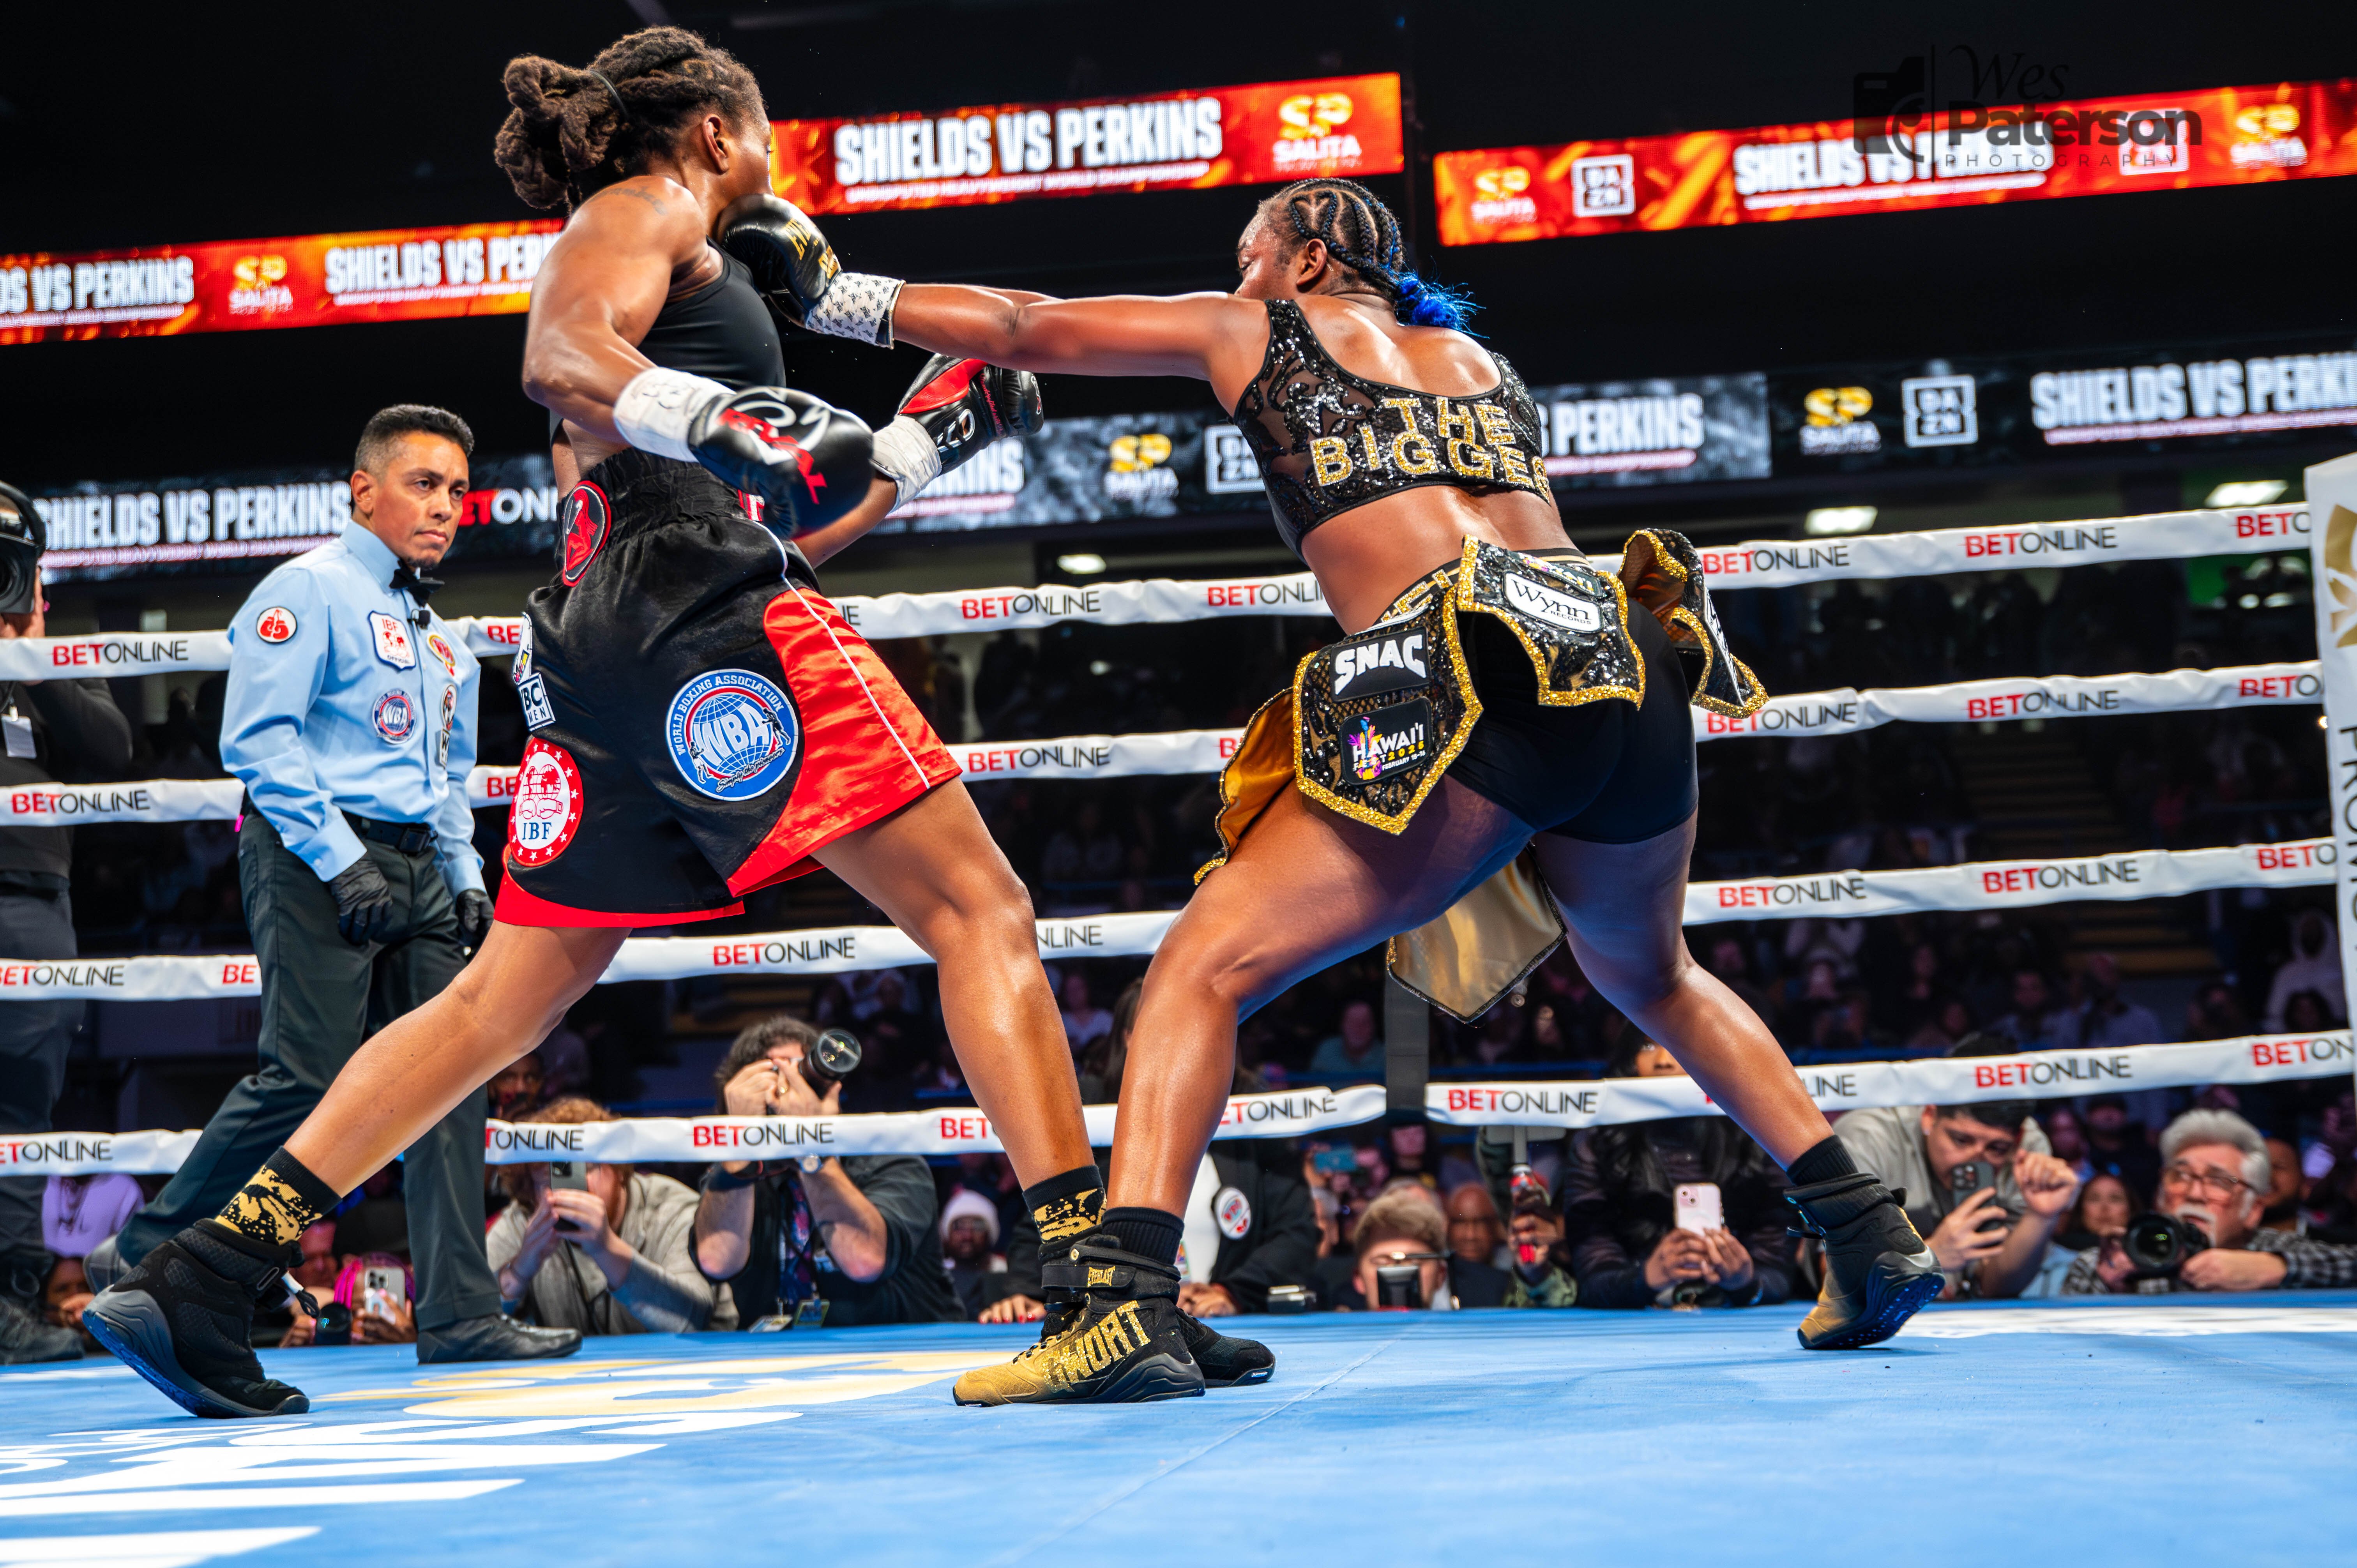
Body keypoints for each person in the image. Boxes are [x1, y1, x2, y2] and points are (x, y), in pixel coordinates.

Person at [86, 25, 1133, 1420]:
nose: (775, 159)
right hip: (687, 601)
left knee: (494, 1004)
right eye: (762, 130)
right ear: (712, 128)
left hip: (617, 623)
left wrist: (913, 446)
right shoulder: (640, 209)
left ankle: (206, 1272)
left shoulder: (726, 266)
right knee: (979, 906)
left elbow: (770, 511)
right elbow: (560, 354)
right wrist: (729, 421)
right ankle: (1097, 1291)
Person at [768, 174, 1938, 1400]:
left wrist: (835, 294)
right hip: (1623, 646)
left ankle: (1120, 1305)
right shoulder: (1478, 360)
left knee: (1200, 967)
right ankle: (1865, 1230)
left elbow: (1019, 325)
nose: (1235, 284)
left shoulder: (1255, 332)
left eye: (1249, 257)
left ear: (1311, 259)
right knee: (1654, 972)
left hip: (1471, 656)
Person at [90, 405, 576, 1377]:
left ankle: (459, 1312)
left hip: (423, 873)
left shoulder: (441, 640)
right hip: (315, 854)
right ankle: (147, 1252)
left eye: (456, 490)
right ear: (366, 488)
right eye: (424, 483)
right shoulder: (305, 587)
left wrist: (469, 877)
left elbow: (448, 777)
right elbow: (257, 738)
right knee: (305, 1074)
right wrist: (339, 854)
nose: (446, 506)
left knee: (448, 1080)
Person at [0, 477, 132, 1365]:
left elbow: (116, 750)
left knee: (21, 1107)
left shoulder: (41, 667)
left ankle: (7, 1301)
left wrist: (27, 658)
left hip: (35, 904)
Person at [689, 1016, 958, 1328]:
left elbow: (864, 1259)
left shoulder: (889, 1158)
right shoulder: (739, 1172)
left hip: (909, 1357)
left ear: (830, 1087)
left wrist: (812, 1149)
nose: (790, 1095)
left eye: (801, 1073)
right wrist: (740, 1147)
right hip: (780, 1360)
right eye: (777, 1076)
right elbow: (716, 1261)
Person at [1560, 1037, 1793, 1310]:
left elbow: (1779, 1272)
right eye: (1646, 1045)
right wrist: (1644, 1279)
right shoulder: (1597, 1144)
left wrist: (1747, 1281)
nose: (1663, 1062)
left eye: (1677, 1043)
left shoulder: (1759, 1137)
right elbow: (1593, 1277)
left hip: (1736, 1322)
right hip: (1634, 1330)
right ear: (1629, 1058)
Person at [488, 1098, 732, 1333]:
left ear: (618, 1168)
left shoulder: (671, 1209)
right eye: (556, 1175)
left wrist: (606, 1248)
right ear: (530, 1191)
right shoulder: (525, 1223)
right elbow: (466, 1323)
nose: (578, 1186)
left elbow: (691, 1322)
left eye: (589, 1167)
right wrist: (518, 1272)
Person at [2065, 1109, 2357, 1294]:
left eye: (2218, 1181)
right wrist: (2118, 1297)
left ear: (2253, 1210)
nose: (2194, 1194)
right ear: (2160, 1193)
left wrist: (2276, 1269)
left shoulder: (2270, 1250)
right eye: (2180, 1176)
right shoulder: (2113, 1262)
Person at [1833, 1091, 2081, 1300]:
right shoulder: (1868, 1138)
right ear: (1930, 1116)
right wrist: (1926, 1258)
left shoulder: (2028, 1150)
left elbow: (1995, 1288)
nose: (1974, 1160)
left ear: (2017, 1139)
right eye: (1961, 1140)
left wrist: (2041, 1217)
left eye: (1997, 1148)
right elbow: (1836, 1277)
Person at [2053, 954, 2161, 1051]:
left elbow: (2157, 1058)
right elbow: (2061, 1060)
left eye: (2106, 973)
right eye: (2094, 975)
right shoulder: (2071, 1020)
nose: (2100, 981)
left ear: (2117, 976)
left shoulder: (2143, 1019)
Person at [940, 1189, 1008, 1320]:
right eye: (959, 1226)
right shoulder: (935, 1276)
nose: (967, 1236)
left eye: (977, 1226)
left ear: (991, 1232)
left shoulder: (1012, 1273)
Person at [1309, 999, 1382, 1076]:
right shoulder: (1326, 1050)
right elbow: (1311, 1084)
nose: (1358, 1029)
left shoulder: (1386, 1055)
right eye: (1352, 1023)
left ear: (1374, 1026)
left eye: (1365, 1023)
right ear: (1342, 1025)